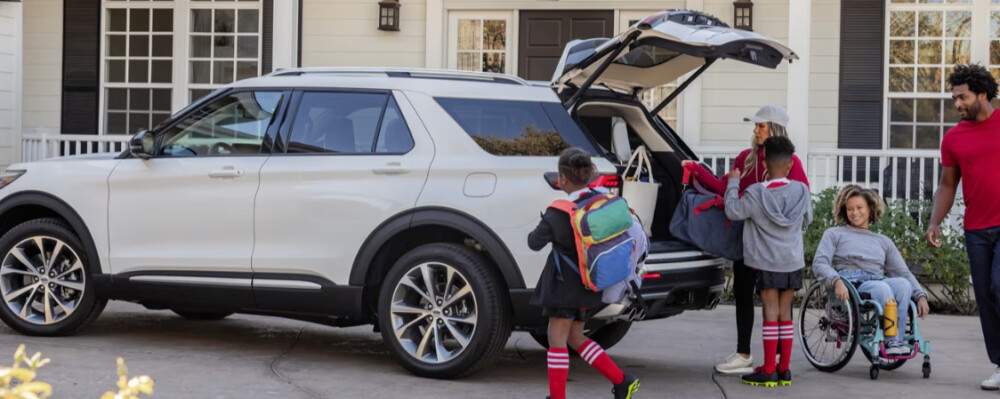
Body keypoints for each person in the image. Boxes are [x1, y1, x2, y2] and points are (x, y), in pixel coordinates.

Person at [682, 104, 810, 375]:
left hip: (772, 249)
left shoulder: (791, 163)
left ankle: (773, 362)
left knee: (771, 306)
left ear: (775, 128)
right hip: (748, 244)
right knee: (744, 295)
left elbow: (794, 201)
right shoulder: (745, 157)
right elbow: (724, 185)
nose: (755, 130)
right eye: (756, 126)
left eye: (761, 126)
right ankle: (745, 354)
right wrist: (697, 170)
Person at [528, 147, 641, 399]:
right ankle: (622, 380)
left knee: (556, 341)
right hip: (591, 282)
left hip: (562, 286)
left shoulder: (558, 211)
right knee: (576, 337)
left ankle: (557, 397)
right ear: (589, 175)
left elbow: (533, 243)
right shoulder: (600, 201)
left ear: (562, 179)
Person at [925, 63, 1000, 391]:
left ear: (983, 94)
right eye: (955, 97)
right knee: (983, 296)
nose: (957, 103)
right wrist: (934, 221)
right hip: (977, 229)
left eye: (963, 97)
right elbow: (947, 185)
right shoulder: (953, 138)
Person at [723, 136, 812, 387]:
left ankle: (769, 369)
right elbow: (807, 219)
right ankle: (784, 370)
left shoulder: (754, 194)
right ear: (789, 165)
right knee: (785, 313)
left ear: (764, 165)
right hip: (792, 262)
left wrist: (733, 183)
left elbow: (732, 210)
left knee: (770, 313)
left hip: (767, 262)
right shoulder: (802, 191)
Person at [813, 185, 930, 356]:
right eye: (850, 209)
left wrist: (920, 295)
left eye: (859, 208)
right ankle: (891, 342)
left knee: (903, 285)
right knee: (883, 289)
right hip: (851, 283)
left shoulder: (883, 241)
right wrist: (835, 280)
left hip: (877, 279)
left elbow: (902, 272)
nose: (854, 213)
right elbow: (820, 263)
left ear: (870, 209)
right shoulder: (834, 234)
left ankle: (896, 340)